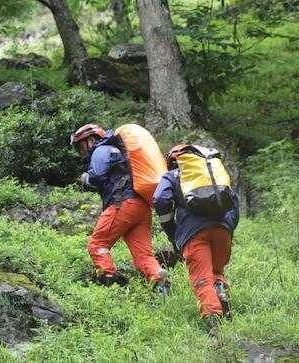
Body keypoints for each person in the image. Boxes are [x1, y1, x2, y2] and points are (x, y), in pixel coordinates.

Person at [71, 123, 168, 291]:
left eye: (81, 145)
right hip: (142, 207)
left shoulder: (101, 149)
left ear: (92, 139)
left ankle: (110, 283)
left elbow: (97, 176)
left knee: (97, 244)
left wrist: (85, 179)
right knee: (143, 255)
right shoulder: (120, 152)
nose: (82, 151)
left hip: (123, 204)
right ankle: (161, 285)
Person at [153, 144, 239, 333]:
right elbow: (234, 201)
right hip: (222, 229)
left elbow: (160, 199)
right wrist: (228, 228)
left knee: (201, 278)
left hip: (193, 234)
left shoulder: (173, 175)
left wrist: (172, 230)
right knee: (217, 270)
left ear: (173, 161)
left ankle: (214, 323)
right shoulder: (214, 175)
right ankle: (221, 293)